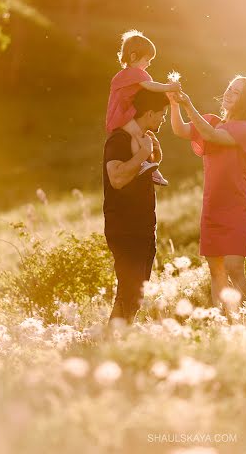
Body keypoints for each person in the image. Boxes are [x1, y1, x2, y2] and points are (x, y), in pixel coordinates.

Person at [168, 75, 246, 309]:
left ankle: (241, 318)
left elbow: (212, 137)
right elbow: (180, 129)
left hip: (236, 206)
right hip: (212, 206)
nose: (229, 93)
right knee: (216, 270)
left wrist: (189, 105)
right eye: (230, 88)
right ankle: (221, 321)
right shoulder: (210, 121)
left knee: (233, 266)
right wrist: (173, 103)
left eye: (236, 92)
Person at [103, 89, 169, 323]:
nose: (163, 119)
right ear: (149, 113)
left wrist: (154, 159)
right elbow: (117, 178)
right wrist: (143, 154)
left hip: (143, 227)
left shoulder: (144, 140)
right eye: (162, 114)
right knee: (129, 292)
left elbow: (139, 176)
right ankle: (112, 341)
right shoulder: (119, 139)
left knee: (137, 293)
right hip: (125, 227)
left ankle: (120, 337)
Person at [105, 29, 180, 187]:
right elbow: (151, 86)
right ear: (133, 57)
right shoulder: (135, 74)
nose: (149, 63)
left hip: (119, 113)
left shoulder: (123, 75)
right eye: (147, 59)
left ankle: (146, 164)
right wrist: (169, 87)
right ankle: (143, 163)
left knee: (137, 135)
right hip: (122, 115)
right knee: (138, 135)